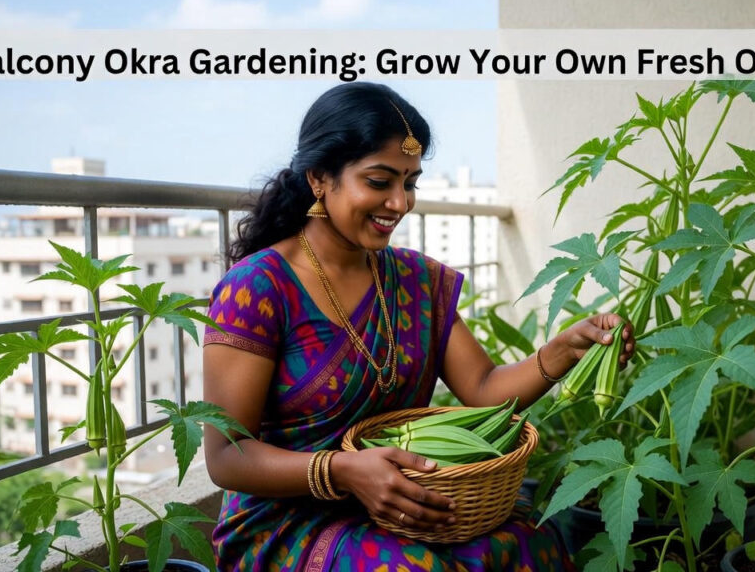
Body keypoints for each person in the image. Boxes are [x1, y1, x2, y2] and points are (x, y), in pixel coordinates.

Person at [202, 82, 635, 571]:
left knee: (531, 540)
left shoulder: (414, 279)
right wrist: (342, 471)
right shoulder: (257, 288)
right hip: (289, 519)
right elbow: (226, 454)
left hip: (405, 502)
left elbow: (484, 388)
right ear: (320, 178)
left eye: (409, 182)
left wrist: (561, 354)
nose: (400, 203)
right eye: (380, 181)